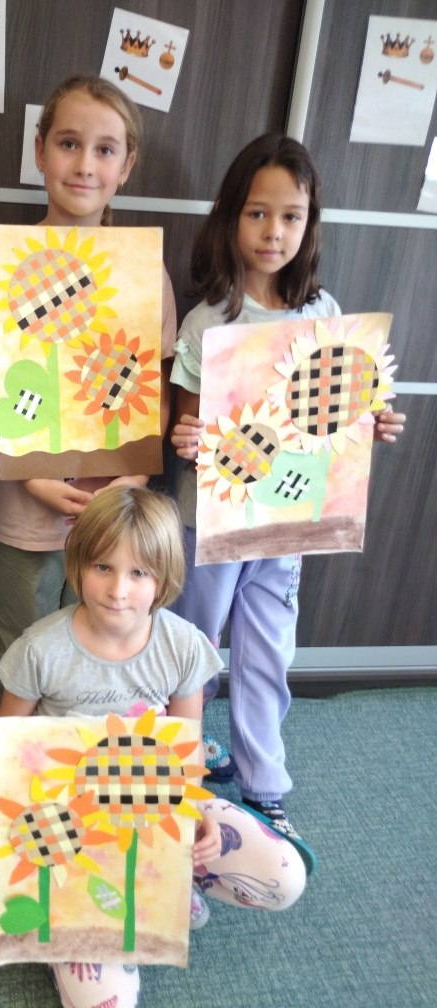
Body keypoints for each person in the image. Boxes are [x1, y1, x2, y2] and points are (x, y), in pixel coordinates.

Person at [0, 486, 307, 1008]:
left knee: (285, 878)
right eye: (103, 567)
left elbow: (186, 750)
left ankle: (171, 883)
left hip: (154, 810)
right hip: (69, 827)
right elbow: (9, 747)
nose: (118, 590)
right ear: (78, 564)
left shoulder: (182, 645)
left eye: (139, 573)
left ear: (163, 579)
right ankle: (89, 924)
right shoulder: (39, 649)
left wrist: (196, 816)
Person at [168, 133, 406, 843]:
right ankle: (179, 771)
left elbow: (339, 413)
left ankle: (265, 784)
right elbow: (185, 425)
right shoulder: (208, 318)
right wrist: (186, 438)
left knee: (268, 649)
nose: (273, 232)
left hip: (288, 522)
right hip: (211, 522)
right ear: (230, 216)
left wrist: (370, 425)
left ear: (309, 224)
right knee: (192, 646)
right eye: (257, 213)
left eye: (291, 216)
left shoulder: (322, 312)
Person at [0, 74, 178, 719]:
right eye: (68, 143)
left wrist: (132, 478)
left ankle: (74, 752)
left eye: (105, 149)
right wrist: (34, 477)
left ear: (126, 165)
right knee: (24, 641)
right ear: (40, 151)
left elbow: (155, 389)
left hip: (114, 510)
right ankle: (10, 752)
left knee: (100, 645)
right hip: (28, 506)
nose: (85, 165)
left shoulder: (144, 271)